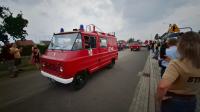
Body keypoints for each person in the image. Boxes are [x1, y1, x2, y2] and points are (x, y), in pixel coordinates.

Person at [157, 31, 200, 112]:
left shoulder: (176, 63)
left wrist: (159, 98)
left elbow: (162, 87)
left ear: (181, 45)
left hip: (174, 101)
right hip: (192, 101)